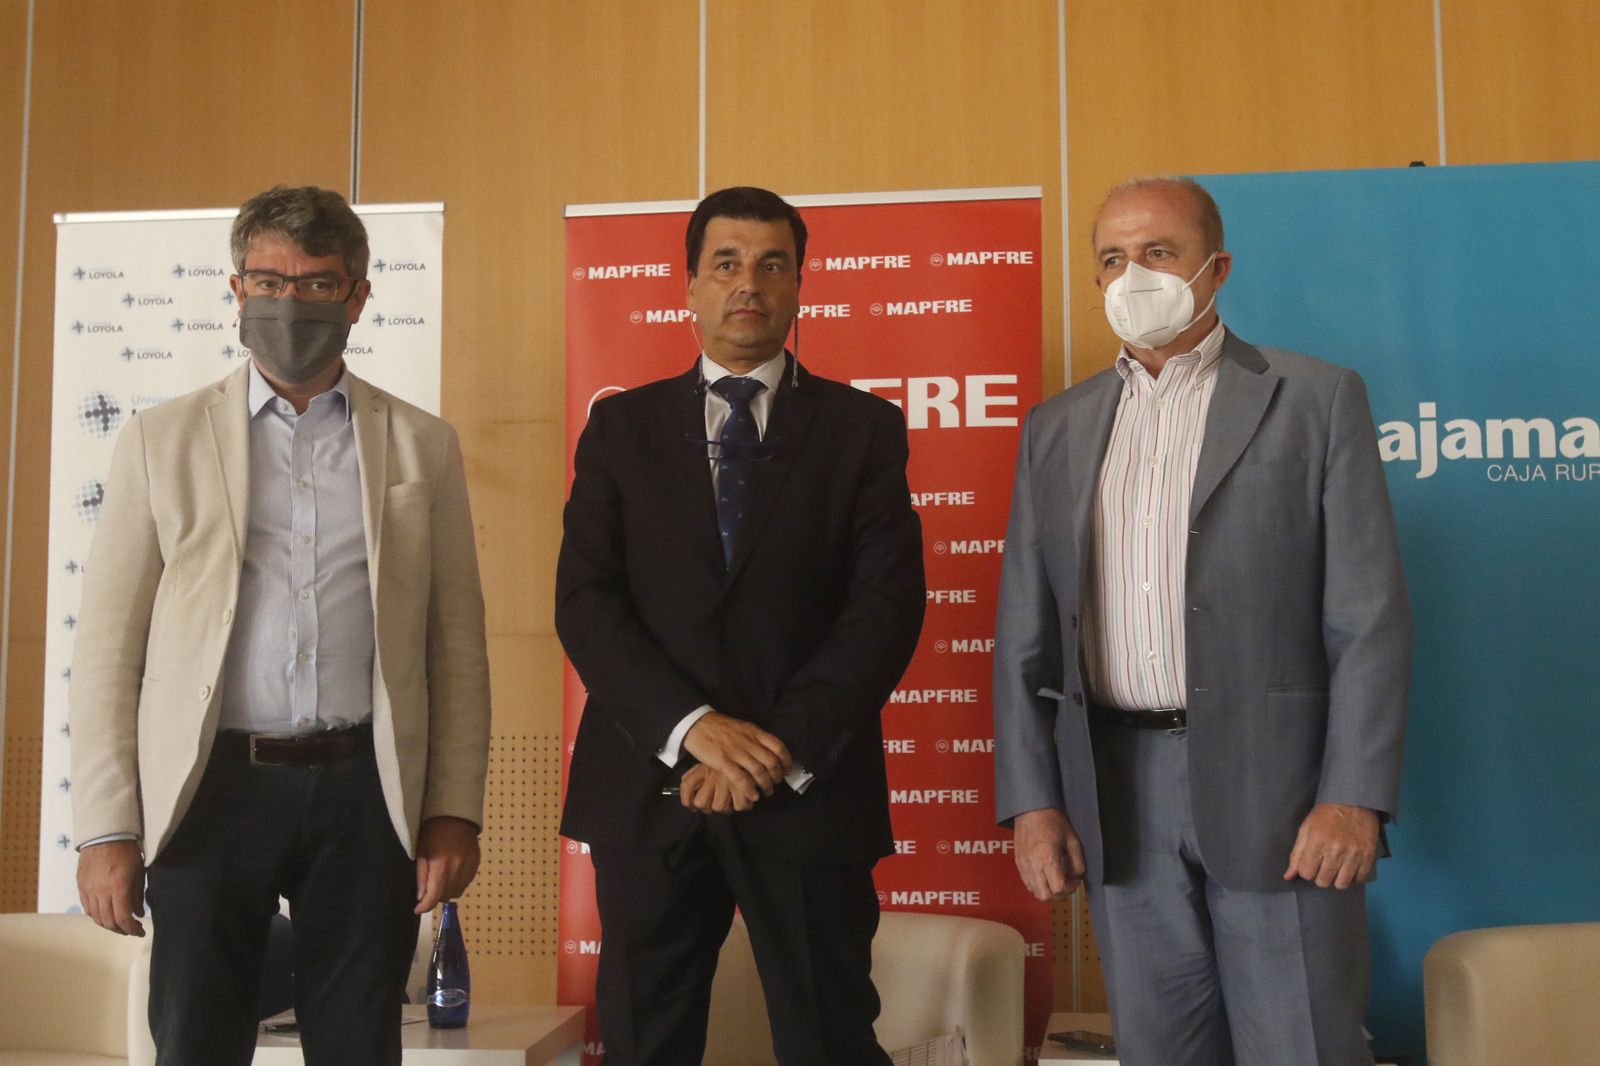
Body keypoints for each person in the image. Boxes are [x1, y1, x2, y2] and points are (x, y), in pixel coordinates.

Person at [992, 176, 1410, 1066]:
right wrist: (1033, 802)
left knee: (1302, 1046)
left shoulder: (1315, 399)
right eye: (1111, 258)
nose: (1132, 276)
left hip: (1285, 798)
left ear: (1215, 268)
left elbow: (1368, 620)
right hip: (1115, 797)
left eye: (1158, 253)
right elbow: (1025, 637)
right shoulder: (1056, 429)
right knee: (1160, 1052)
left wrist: (1354, 796)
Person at [70, 185, 491, 1066]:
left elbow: (455, 649)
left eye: (315, 285)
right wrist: (108, 830)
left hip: (363, 790)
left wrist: (454, 811)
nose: (287, 304)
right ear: (235, 291)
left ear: (358, 297)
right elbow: (109, 652)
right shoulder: (160, 440)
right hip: (210, 787)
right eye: (267, 282)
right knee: (194, 1040)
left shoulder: (422, 445)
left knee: (358, 1044)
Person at [556, 186, 925, 1065]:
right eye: (725, 264)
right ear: (689, 284)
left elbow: (884, 609)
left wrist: (773, 750)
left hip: (806, 789)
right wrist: (695, 733)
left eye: (771, 265)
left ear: (801, 286)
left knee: (830, 1038)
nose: (747, 284)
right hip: (652, 787)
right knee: (646, 1044)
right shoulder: (620, 427)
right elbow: (586, 602)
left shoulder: (863, 430)